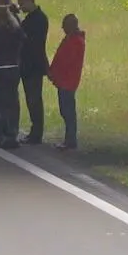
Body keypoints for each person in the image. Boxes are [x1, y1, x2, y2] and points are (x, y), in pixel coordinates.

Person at [0, 0, 23, 150]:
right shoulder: (16, 28)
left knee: (2, 103)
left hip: (1, 67)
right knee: (12, 101)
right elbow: (22, 39)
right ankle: (12, 133)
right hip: (14, 67)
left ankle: (2, 134)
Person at [48, 13, 87, 151]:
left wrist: (55, 73)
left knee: (68, 111)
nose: (62, 28)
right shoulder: (71, 39)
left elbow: (66, 61)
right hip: (64, 80)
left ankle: (70, 140)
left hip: (68, 81)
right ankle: (69, 139)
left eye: (64, 25)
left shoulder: (75, 41)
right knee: (66, 110)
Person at [17, 0, 50, 145]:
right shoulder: (32, 18)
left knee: (34, 99)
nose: (21, 7)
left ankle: (36, 133)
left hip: (33, 64)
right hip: (28, 64)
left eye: (22, 3)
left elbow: (29, 40)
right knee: (32, 99)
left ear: (30, 0)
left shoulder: (39, 19)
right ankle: (35, 131)